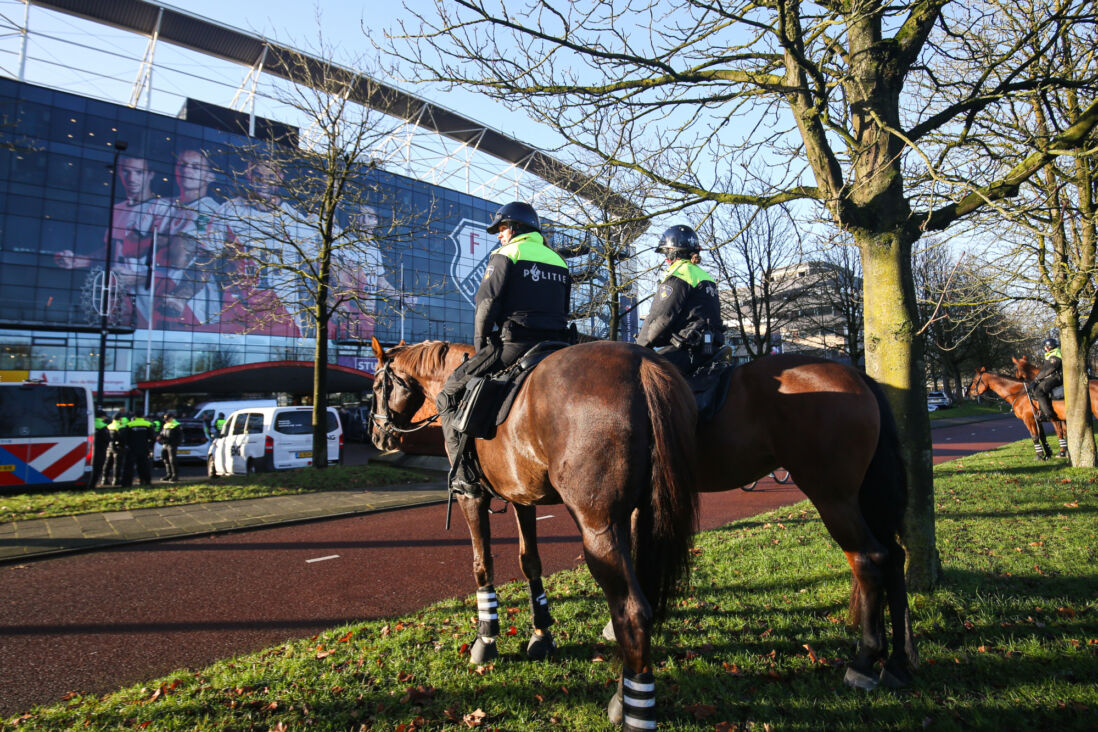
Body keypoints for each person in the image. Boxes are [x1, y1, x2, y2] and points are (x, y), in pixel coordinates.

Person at [435, 201, 571, 497]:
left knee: (447, 394)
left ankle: (462, 476)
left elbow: (486, 306)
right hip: (558, 346)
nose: (499, 235)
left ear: (517, 227)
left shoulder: (506, 254)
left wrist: (482, 344)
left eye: (502, 228)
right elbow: (565, 308)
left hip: (516, 344)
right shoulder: (559, 261)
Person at [54, 153, 172, 328]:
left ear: (150, 175)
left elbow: (176, 263)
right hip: (117, 295)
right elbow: (112, 250)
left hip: (147, 299)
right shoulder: (118, 208)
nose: (131, 178)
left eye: (138, 172)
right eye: (126, 172)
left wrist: (142, 277)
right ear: (119, 173)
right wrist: (79, 260)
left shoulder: (162, 208)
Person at [635, 224, 723, 375]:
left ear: (673, 253)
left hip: (688, 350)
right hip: (710, 348)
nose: (665, 258)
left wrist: (637, 349)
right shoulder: (705, 277)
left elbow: (660, 318)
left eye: (665, 253)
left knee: (643, 376)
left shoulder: (679, 276)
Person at [155, 149, 223, 329]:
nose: (187, 171)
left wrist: (158, 242)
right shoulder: (164, 205)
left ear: (209, 176)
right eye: (183, 165)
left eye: (195, 167)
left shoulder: (210, 211)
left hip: (192, 304)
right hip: (160, 295)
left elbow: (179, 257)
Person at [1029, 337, 1063, 421]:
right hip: (1053, 377)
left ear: (1048, 347)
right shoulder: (1051, 355)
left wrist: (1036, 379)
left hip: (1057, 377)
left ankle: (1048, 414)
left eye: (1045, 346)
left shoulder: (1054, 356)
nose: (1044, 348)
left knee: (1039, 390)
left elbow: (1049, 370)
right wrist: (1036, 379)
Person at [121, 412, 155, 487]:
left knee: (129, 466)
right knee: (144, 466)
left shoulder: (130, 424)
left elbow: (124, 437)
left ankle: (127, 483)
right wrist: (149, 447)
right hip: (144, 448)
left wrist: (126, 446)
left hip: (132, 449)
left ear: (135, 416)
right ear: (143, 416)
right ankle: (146, 481)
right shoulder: (148, 424)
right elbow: (152, 437)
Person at [103, 411, 129, 487]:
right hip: (118, 447)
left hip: (110, 446)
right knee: (117, 464)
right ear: (120, 418)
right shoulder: (120, 427)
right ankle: (116, 480)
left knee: (107, 463)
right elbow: (123, 438)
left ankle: (104, 479)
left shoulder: (109, 426)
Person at [158, 412, 182, 482]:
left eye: (167, 418)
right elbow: (162, 433)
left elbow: (179, 436)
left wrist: (175, 443)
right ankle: (169, 474)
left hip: (172, 445)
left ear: (171, 418)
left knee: (172, 460)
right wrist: (160, 437)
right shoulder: (166, 425)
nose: (165, 420)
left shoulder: (176, 425)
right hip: (165, 444)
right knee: (165, 458)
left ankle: (175, 476)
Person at [91, 409, 109, 488]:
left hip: (90, 449)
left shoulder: (91, 424)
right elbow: (106, 439)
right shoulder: (103, 426)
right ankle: (93, 484)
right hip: (100, 449)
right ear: (102, 417)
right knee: (98, 467)